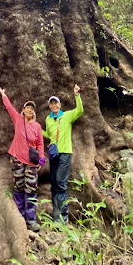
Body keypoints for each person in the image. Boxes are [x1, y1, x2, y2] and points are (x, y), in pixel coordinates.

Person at [0, 86, 45, 231]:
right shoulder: (18, 119)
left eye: (32, 109)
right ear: (23, 110)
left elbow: (40, 143)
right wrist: (3, 94)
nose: (29, 110)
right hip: (17, 159)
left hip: (31, 162)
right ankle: (20, 216)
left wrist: (41, 158)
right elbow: (9, 107)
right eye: (27, 108)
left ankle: (31, 219)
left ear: (33, 112)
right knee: (18, 187)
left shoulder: (36, 126)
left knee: (30, 188)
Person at [43, 84, 83, 223]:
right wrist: (35, 128)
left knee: (61, 183)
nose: (54, 106)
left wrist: (77, 95)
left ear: (60, 104)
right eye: (52, 104)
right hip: (53, 154)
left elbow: (80, 110)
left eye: (56, 103)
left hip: (65, 153)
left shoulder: (67, 116)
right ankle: (56, 215)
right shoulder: (48, 119)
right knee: (54, 183)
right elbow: (48, 135)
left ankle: (63, 218)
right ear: (50, 106)